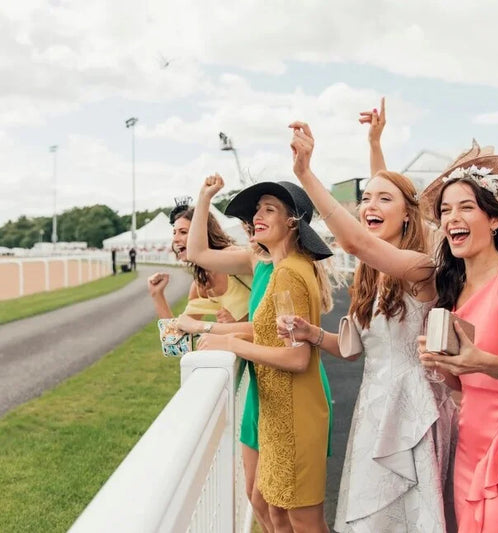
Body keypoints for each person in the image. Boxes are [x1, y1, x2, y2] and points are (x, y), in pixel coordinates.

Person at [287, 118, 457, 532]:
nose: (370, 207)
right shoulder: (368, 273)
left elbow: (358, 241)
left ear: (408, 215)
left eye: (383, 200)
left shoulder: (421, 266)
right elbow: (355, 349)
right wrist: (313, 334)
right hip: (373, 408)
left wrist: (305, 174)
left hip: (414, 411)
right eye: (365, 199)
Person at [175, 174, 336, 532]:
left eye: (269, 209)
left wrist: (230, 342)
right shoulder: (281, 267)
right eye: (256, 211)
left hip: (295, 410)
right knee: (282, 513)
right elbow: (270, 334)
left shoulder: (288, 274)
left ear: (292, 222)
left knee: (305, 522)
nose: (256, 217)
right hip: (280, 409)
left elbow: (297, 358)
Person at [418, 150, 498, 533]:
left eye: (466, 207)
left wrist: (481, 361)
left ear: (495, 219)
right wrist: (442, 365)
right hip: (469, 440)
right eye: (446, 210)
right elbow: (463, 384)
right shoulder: (454, 290)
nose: (452, 218)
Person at [147, 200, 251, 323]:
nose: (175, 239)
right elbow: (177, 337)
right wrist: (157, 295)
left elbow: (273, 298)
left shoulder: (235, 255)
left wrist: (244, 319)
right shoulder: (201, 283)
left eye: (183, 232)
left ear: (203, 233)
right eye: (174, 233)